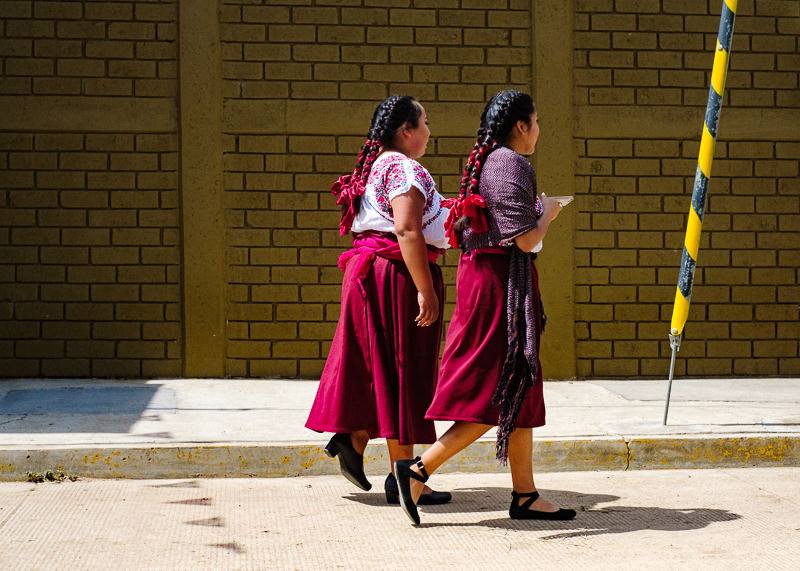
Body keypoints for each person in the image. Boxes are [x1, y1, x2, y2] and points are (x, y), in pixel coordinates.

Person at [394, 90, 576, 525]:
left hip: (491, 281)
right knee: (503, 391)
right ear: (521, 126)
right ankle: (417, 469)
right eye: (536, 121)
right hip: (499, 287)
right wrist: (548, 212)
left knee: (522, 386)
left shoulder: (489, 160)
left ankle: (526, 494)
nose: (539, 130)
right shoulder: (510, 163)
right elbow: (526, 240)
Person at [306, 95, 451, 506]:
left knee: (382, 368)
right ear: (406, 130)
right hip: (394, 275)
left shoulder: (378, 165)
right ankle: (401, 476)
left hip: (370, 272)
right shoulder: (404, 167)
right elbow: (407, 230)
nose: (428, 130)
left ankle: (367, 448)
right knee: (403, 369)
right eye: (424, 122)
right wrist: (425, 288)